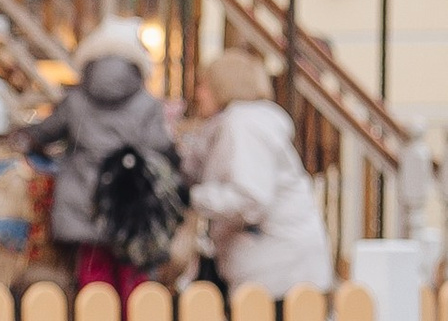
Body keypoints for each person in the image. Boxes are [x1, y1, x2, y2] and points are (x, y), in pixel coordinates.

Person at [22, 17, 182, 300]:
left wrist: (28, 140)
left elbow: (43, 134)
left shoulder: (75, 100)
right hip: (130, 203)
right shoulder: (147, 103)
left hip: (83, 202)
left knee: (93, 277)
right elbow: (160, 145)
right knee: (134, 276)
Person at [184, 45, 333, 298]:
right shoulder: (245, 123)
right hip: (280, 265)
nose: (198, 93)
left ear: (224, 86)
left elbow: (251, 198)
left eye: (204, 85)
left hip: (276, 269)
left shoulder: (244, 125)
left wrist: (191, 197)